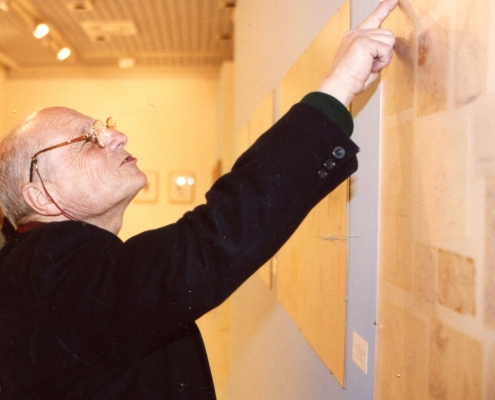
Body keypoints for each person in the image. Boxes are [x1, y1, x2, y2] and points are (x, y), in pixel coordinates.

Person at [0, 0, 398, 398]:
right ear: (40, 196)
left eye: (105, 128)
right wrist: (336, 89)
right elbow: (208, 244)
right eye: (88, 138)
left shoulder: (38, 272)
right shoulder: (50, 268)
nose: (117, 137)